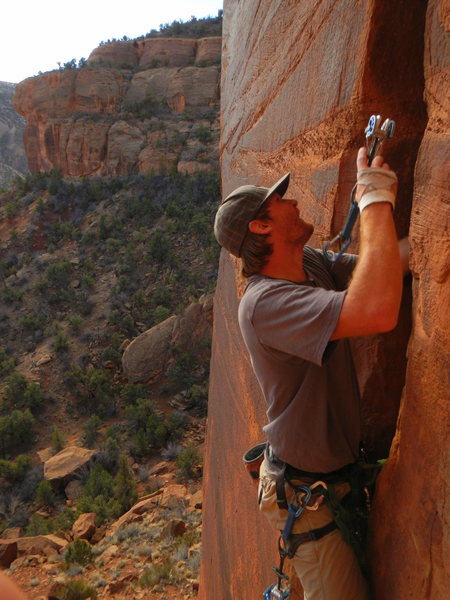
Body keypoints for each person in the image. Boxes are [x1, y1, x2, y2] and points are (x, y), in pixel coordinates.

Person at [213, 147, 409, 600]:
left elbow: (380, 272)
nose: (293, 201)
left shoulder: (312, 264)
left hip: (323, 484)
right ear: (261, 225)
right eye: (279, 200)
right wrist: (374, 198)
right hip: (309, 498)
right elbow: (376, 309)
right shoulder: (264, 305)